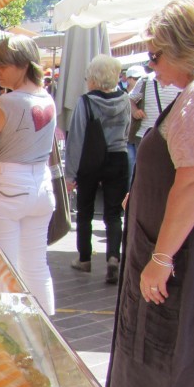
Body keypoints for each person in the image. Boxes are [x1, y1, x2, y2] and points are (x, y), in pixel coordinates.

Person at [107, 0, 194, 387]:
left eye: (157, 55)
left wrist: (160, 258)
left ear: (186, 50)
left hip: (177, 256)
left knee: (154, 351)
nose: (152, 65)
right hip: (190, 251)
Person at [0, 35, 57, 314]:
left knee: (0, 266)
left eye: (2, 66)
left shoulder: (8, 103)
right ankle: (45, 328)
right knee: (35, 264)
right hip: (41, 187)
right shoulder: (47, 99)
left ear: (21, 65)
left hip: (6, 187)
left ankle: (9, 332)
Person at [64, 54, 131, 284]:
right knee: (114, 214)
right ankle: (113, 256)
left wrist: (70, 174)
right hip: (118, 158)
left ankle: (84, 258)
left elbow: (76, 138)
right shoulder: (124, 99)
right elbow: (127, 131)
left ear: (93, 77)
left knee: (85, 211)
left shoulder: (86, 101)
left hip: (90, 159)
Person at [129, 65, 181, 176]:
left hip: (173, 136)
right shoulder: (145, 81)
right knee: (148, 174)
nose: (151, 63)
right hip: (145, 135)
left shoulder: (181, 81)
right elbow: (130, 99)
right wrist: (134, 111)